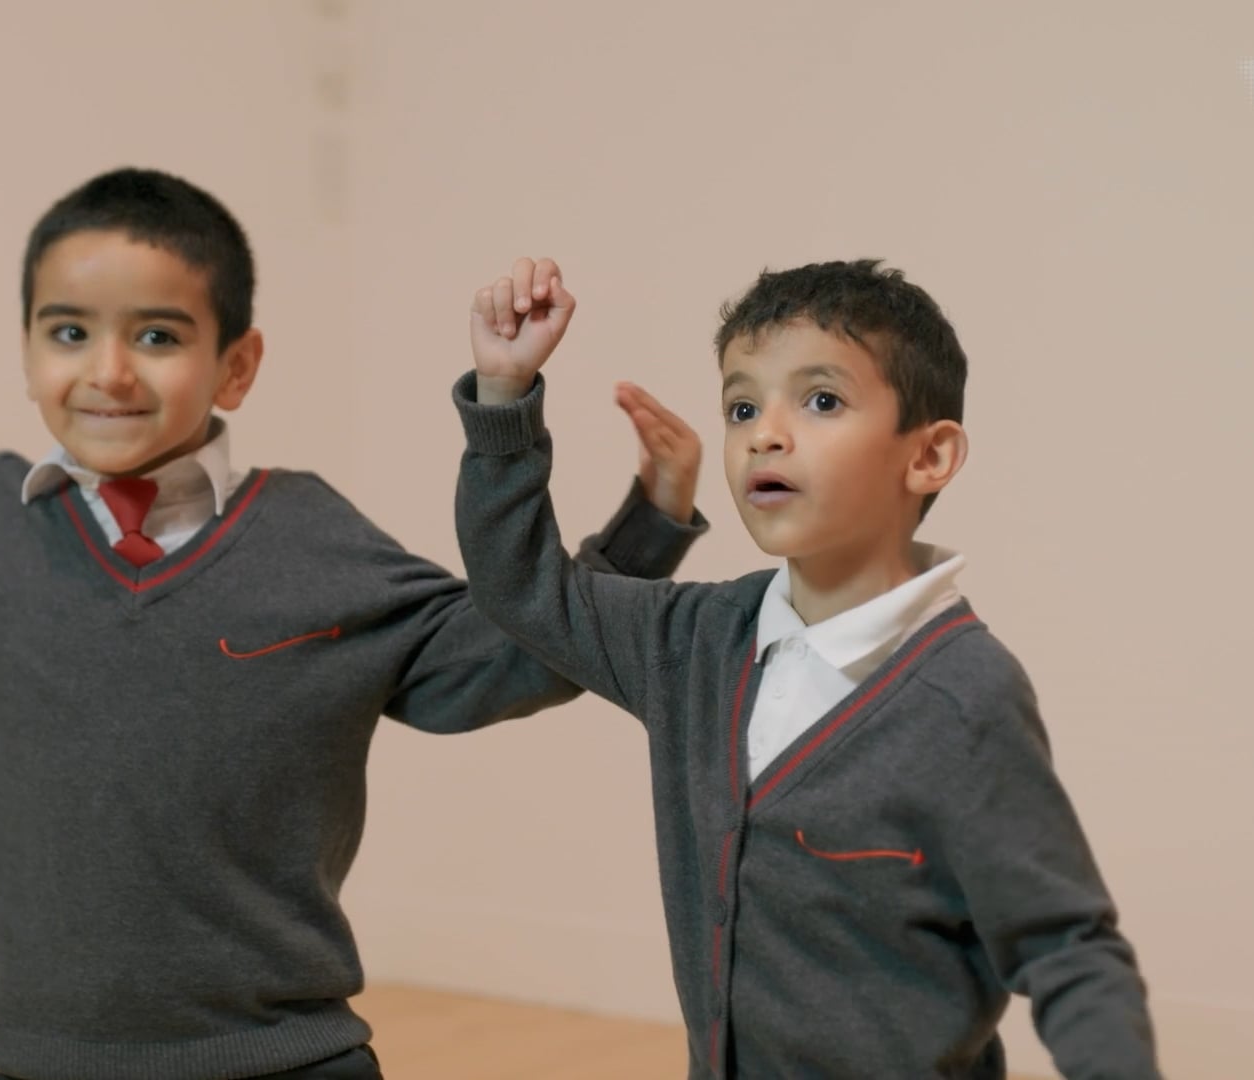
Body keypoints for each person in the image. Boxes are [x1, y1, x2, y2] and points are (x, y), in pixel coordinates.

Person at [0, 171, 707, 1080]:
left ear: (238, 363)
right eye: (68, 331)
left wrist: (645, 526)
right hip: (43, 1065)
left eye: (159, 336)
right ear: (28, 349)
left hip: (288, 1061)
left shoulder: (319, 546)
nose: (109, 371)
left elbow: (508, 659)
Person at [451, 255, 1160, 1078]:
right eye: (742, 405)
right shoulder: (693, 642)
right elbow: (522, 590)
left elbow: (1067, 949)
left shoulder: (964, 698)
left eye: (821, 400)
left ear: (928, 457)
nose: (765, 433)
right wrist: (503, 396)